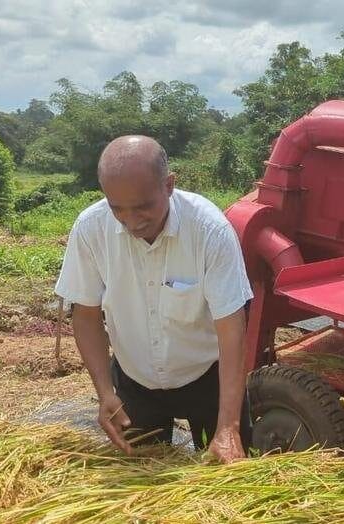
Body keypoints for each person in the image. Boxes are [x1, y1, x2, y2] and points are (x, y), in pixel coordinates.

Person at [55, 135, 253, 462]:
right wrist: (105, 393)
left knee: (225, 473)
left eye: (143, 207)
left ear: (169, 185)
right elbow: (86, 315)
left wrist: (229, 426)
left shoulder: (210, 231)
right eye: (118, 208)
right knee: (140, 477)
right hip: (135, 382)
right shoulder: (91, 229)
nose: (132, 221)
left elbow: (231, 326)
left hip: (209, 380)